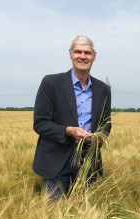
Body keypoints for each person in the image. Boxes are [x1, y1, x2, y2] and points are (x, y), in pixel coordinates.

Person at [33, 35, 112, 200]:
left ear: (94, 56)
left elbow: (106, 124)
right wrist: (68, 131)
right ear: (70, 54)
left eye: (87, 53)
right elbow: (40, 123)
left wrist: (99, 137)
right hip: (56, 160)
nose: (82, 56)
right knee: (55, 214)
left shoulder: (103, 89)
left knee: (86, 213)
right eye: (78, 52)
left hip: (88, 160)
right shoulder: (51, 83)